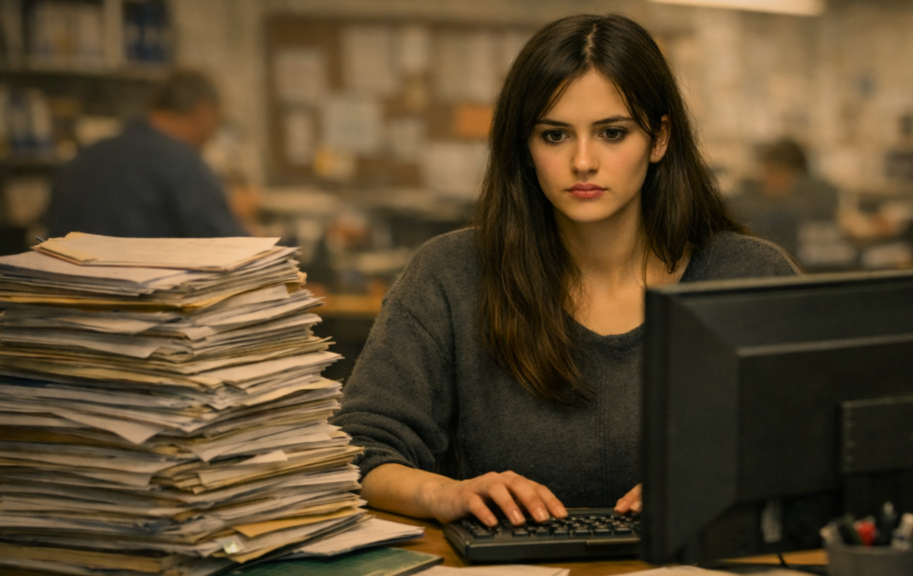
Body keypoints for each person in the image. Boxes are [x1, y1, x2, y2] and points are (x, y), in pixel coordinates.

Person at [335, 14, 799, 529]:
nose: (583, 161)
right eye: (555, 136)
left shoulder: (751, 276)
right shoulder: (450, 275)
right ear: (525, 149)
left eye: (612, 133)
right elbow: (358, 450)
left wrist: (727, 479)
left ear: (660, 139)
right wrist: (445, 492)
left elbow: (823, 443)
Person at [45, 69, 248, 238]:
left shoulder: (85, 157)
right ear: (203, 112)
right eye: (217, 122)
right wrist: (242, 217)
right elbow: (231, 246)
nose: (212, 134)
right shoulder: (182, 162)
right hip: (147, 284)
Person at [731, 137, 839, 257]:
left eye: (775, 171)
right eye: (767, 170)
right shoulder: (750, 205)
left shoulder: (812, 206)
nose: (766, 178)